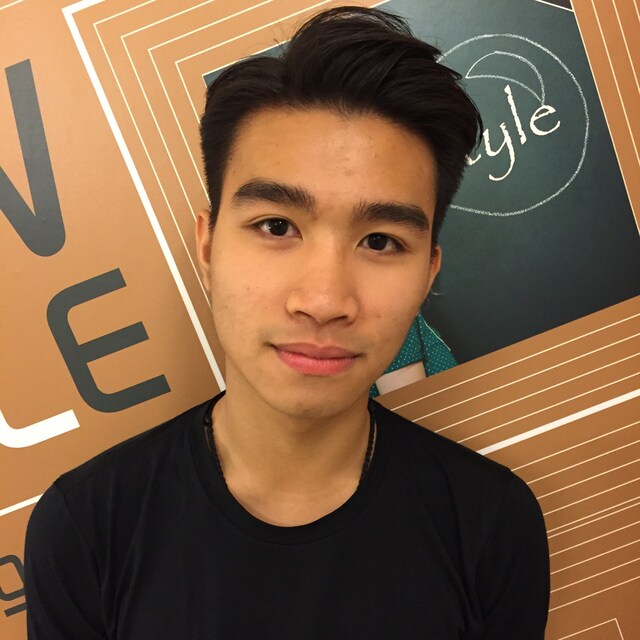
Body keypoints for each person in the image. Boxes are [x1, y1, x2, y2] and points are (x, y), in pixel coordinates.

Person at [24, 6, 550, 638]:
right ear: (209, 247)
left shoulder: (492, 525)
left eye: (381, 241)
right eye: (276, 226)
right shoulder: (87, 526)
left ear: (428, 272)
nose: (324, 300)